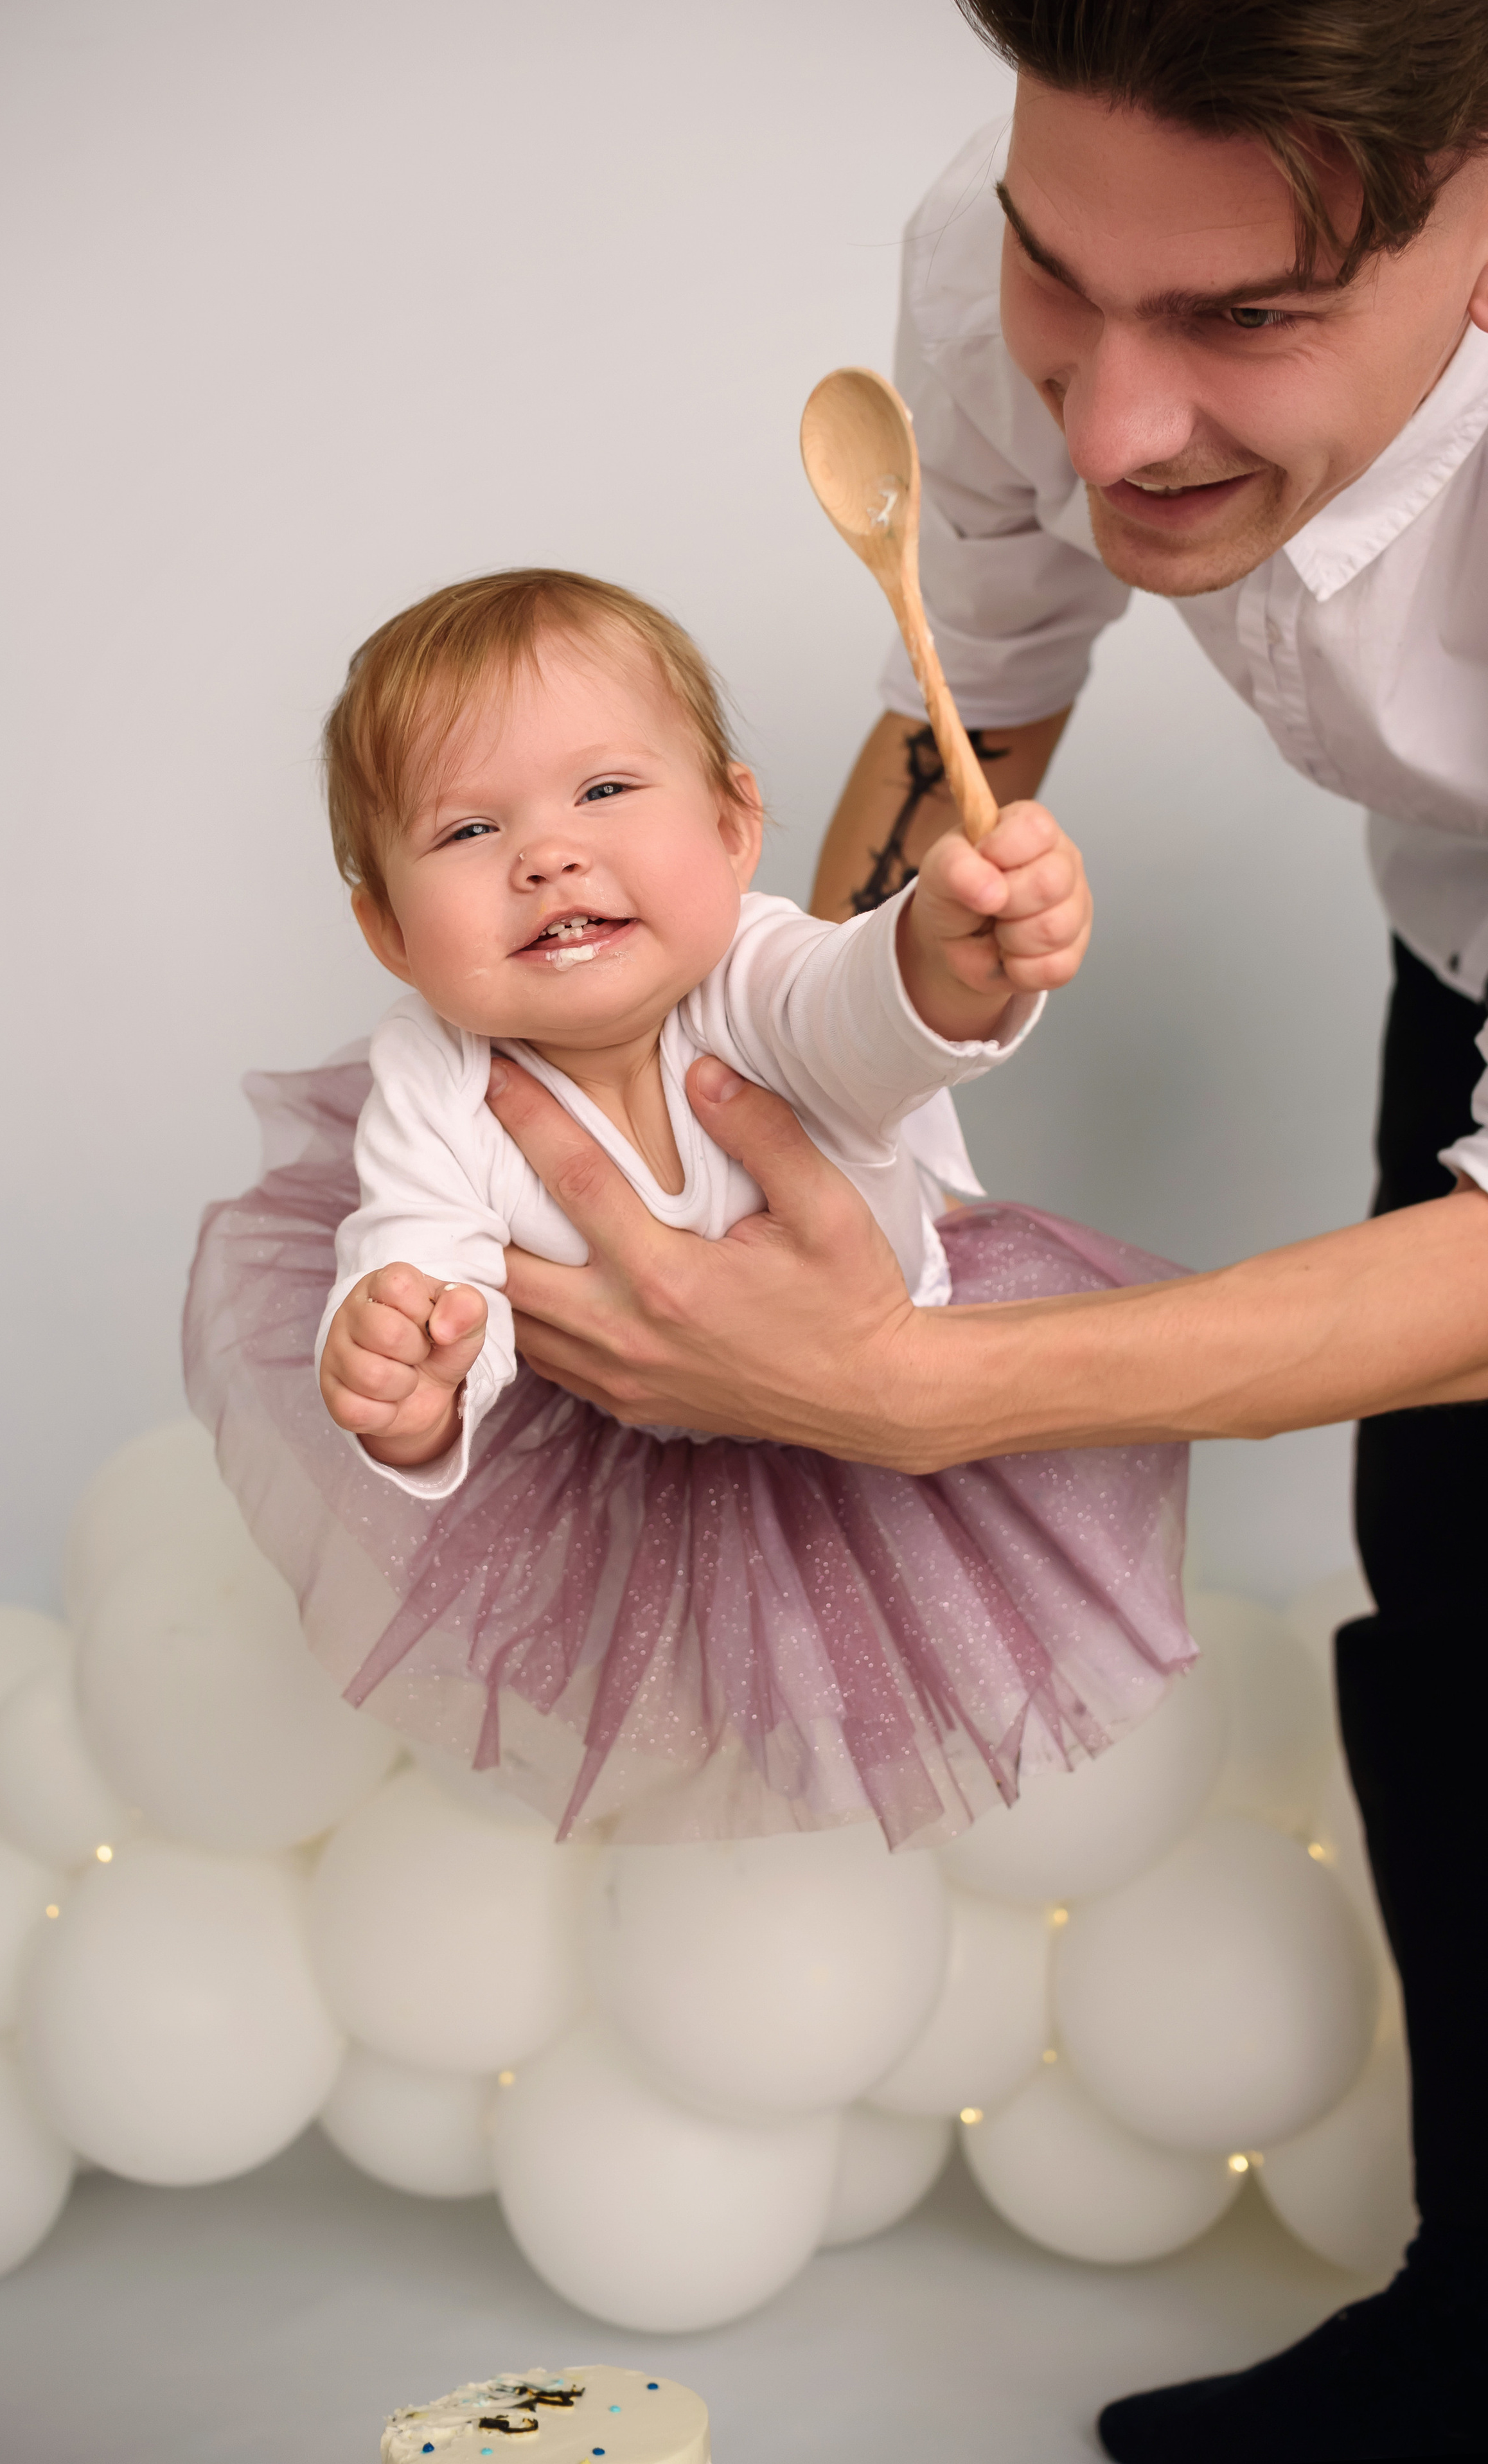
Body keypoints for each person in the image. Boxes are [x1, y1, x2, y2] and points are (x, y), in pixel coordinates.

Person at [475, 6, 1488, 2458]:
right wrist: (764, 1106)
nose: (1114, 421)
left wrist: (923, 1392)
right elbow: (979, 718)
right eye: (1069, 281)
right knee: (1455, 1584)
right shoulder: (1019, 251)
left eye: (1250, 321)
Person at [187, 565, 1194, 1850]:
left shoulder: (755, 969)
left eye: (604, 791)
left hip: (894, 1411)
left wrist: (942, 959)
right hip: (639, 1446)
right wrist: (408, 1359)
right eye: (465, 832)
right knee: (703, 1755)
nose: (548, 854)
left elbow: (861, 1017)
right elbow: (419, 1237)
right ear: (387, 928)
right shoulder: (435, 1070)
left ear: (732, 829)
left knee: (899, 1724)